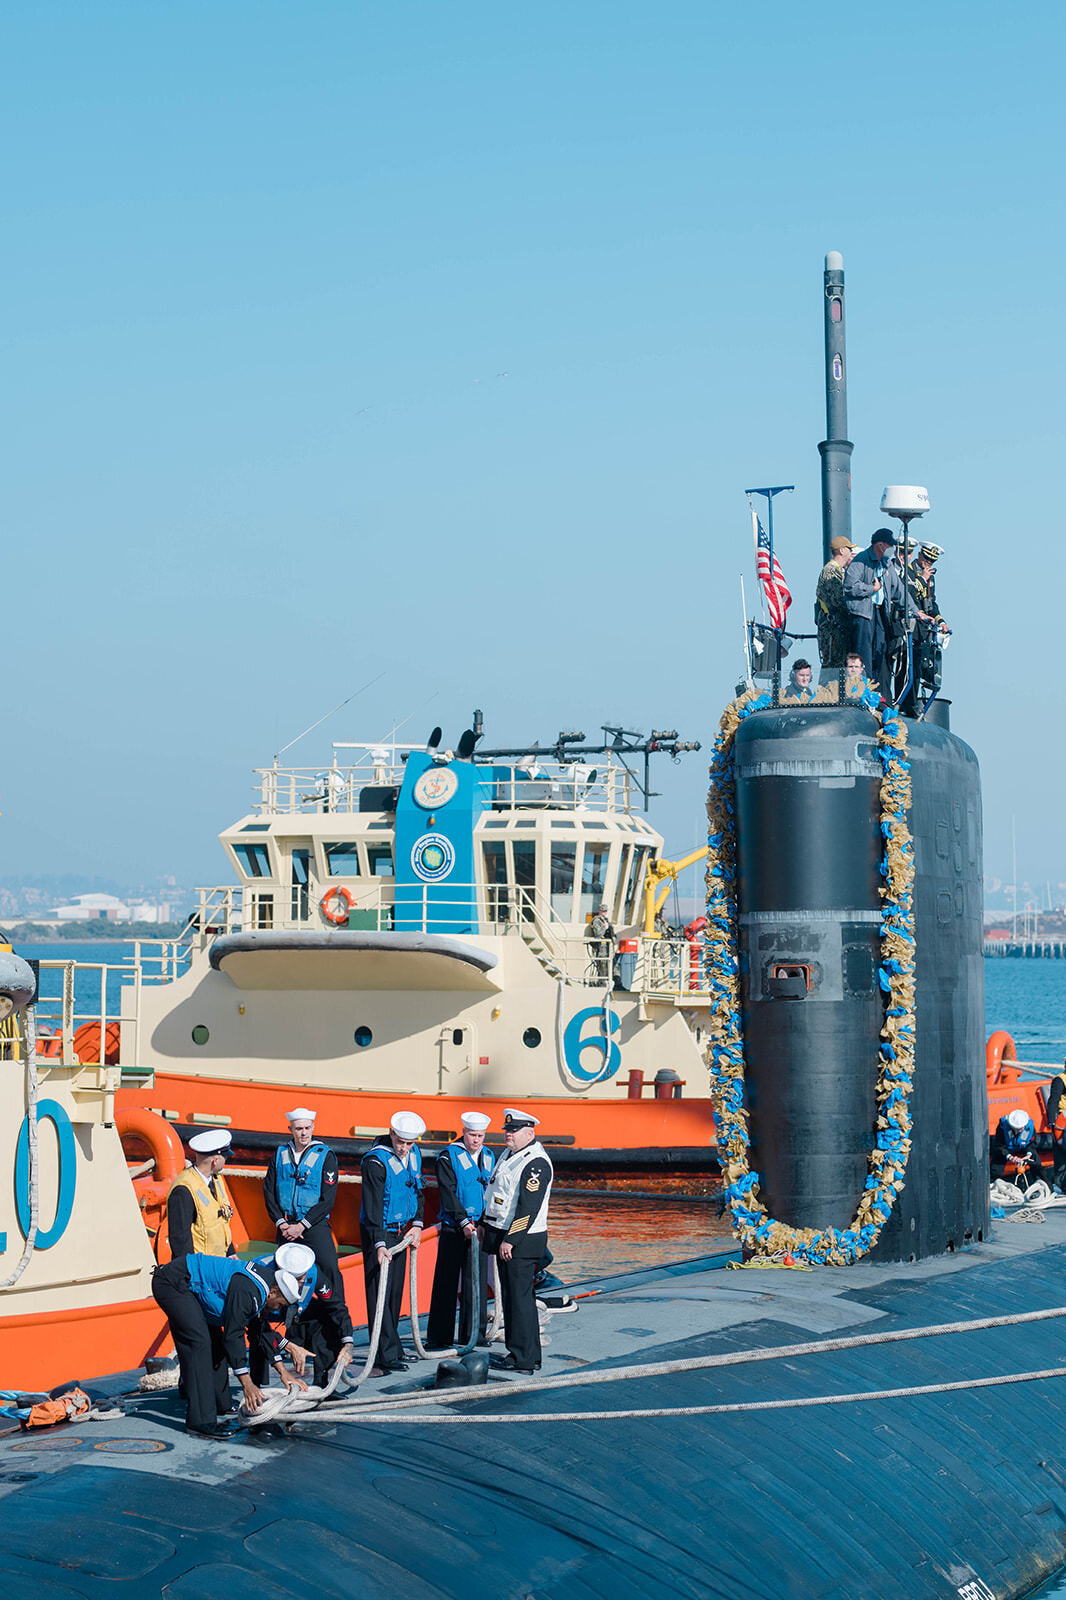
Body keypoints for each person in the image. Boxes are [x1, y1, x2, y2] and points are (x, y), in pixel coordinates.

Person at [151, 1247, 312, 1436]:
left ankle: (221, 1403)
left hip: (195, 1288)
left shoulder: (267, 1283)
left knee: (216, 1344)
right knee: (199, 1343)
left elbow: (260, 1331)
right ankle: (200, 1421)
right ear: (274, 1292)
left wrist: (284, 1372)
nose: (277, 1309)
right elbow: (233, 1334)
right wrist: (247, 1383)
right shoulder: (250, 1291)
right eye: (279, 1304)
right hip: (174, 1283)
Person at [481, 1108, 554, 1375]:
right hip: (505, 1234)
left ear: (530, 1133)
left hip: (522, 1240)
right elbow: (495, 1193)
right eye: (507, 1131)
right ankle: (521, 1353)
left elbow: (528, 1207)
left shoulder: (535, 1163)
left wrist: (510, 1240)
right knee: (513, 1299)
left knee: (520, 1300)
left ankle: (524, 1359)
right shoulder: (511, 1154)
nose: (508, 1135)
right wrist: (483, 1224)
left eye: (514, 1131)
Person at [359, 1110, 426, 1373]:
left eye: (409, 1143)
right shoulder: (376, 1162)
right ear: (392, 1134)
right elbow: (373, 1206)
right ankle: (384, 1353)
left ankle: (393, 1344)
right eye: (401, 1142)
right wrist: (378, 1243)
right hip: (380, 1232)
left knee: (395, 1292)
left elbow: (418, 1190)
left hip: (402, 1231)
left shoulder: (414, 1155)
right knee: (380, 1293)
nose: (405, 1148)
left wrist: (418, 1223)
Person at [264, 1107, 347, 1316]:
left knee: (329, 1270)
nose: (303, 1133)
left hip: (314, 1225)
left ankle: (339, 1322)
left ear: (313, 1127)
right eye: (299, 1128)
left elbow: (327, 1200)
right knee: (283, 1277)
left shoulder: (325, 1156)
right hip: (285, 1226)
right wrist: (281, 1224)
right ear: (290, 1129)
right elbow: (268, 1192)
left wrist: (302, 1225)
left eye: (307, 1128)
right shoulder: (279, 1154)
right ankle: (290, 1326)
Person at [427, 1111, 496, 1350]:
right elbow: (448, 1192)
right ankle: (439, 1336)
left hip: (481, 1226)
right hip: (454, 1227)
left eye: (480, 1135)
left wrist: (486, 1222)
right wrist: (463, 1222)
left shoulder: (488, 1156)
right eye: (472, 1135)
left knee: (475, 1283)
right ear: (464, 1132)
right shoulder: (448, 1157)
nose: (476, 1140)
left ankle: (474, 1334)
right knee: (446, 1281)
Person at [843, 528, 917, 687]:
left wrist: (916, 612)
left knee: (880, 653)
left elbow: (899, 591)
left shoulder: (886, 564)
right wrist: (871, 589)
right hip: (862, 615)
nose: (892, 550)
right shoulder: (860, 561)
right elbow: (849, 587)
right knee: (864, 654)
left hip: (879, 612)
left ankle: (878, 692)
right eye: (890, 546)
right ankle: (863, 690)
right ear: (881, 545)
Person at [167, 1128, 236, 1259]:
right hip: (200, 1269)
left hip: (218, 1263)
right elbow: (180, 1239)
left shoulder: (216, 1180)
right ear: (215, 1161)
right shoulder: (184, 1190)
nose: (226, 1159)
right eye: (225, 1156)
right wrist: (191, 1272)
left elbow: (221, 1222)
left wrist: (230, 1252)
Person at [815, 535, 855, 667]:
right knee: (834, 667)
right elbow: (838, 600)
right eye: (849, 549)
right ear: (842, 550)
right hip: (833, 629)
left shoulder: (838, 571)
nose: (851, 552)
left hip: (839, 628)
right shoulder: (831, 572)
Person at [990, 1108, 1042, 1191]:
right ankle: (993, 1183)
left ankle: (1041, 1183)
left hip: (1023, 1147)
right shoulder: (1002, 1127)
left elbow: (1032, 1143)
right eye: (1017, 1129)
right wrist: (1009, 1157)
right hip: (1007, 1148)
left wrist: (1029, 1154)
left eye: (1021, 1128)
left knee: (1035, 1160)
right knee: (997, 1161)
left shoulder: (1029, 1127)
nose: (1020, 1130)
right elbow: (999, 1145)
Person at [1045, 1063, 1066, 1187]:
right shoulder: (1060, 1080)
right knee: (1061, 1157)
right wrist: (1052, 1122)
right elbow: (1053, 1101)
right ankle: (1062, 1186)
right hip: (1062, 1122)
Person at [586, 903, 615, 982]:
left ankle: (608, 980)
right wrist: (605, 928)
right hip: (601, 947)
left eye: (605, 911)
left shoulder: (606, 920)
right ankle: (603, 981)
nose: (604, 913)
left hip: (608, 947)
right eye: (602, 911)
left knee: (609, 964)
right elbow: (598, 934)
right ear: (599, 911)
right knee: (602, 964)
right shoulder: (596, 921)